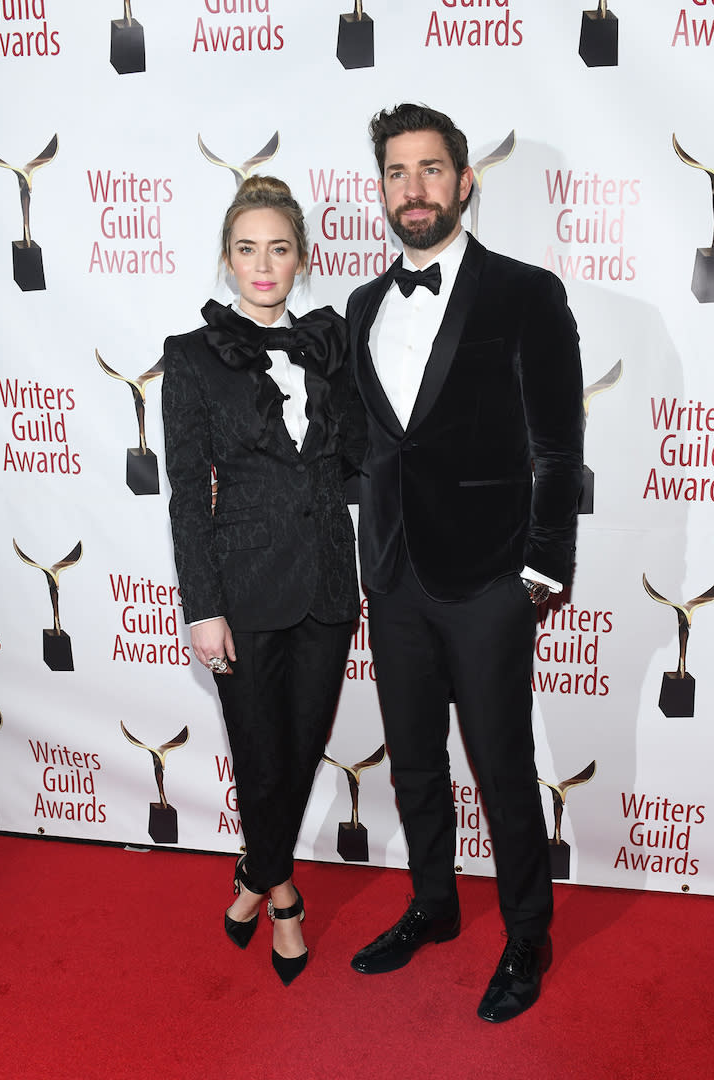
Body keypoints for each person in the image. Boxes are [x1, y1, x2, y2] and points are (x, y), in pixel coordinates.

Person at [346, 104, 583, 1022]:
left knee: (502, 765)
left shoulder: (526, 292)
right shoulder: (364, 305)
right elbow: (374, 444)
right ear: (383, 191)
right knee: (412, 765)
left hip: (489, 578)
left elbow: (559, 447)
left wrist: (540, 570)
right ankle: (434, 906)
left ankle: (528, 935)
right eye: (398, 173)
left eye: (432, 170)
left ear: (464, 181)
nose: (415, 189)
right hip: (396, 577)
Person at [162, 176, 363, 985]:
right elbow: (185, 490)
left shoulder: (332, 344)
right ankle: (285, 900)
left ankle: (252, 872)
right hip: (241, 591)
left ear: (302, 257)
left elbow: (357, 458)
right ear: (226, 259)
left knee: (304, 745)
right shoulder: (191, 358)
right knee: (258, 753)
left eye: (279, 248)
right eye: (247, 249)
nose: (264, 264)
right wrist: (202, 607)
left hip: (326, 584)